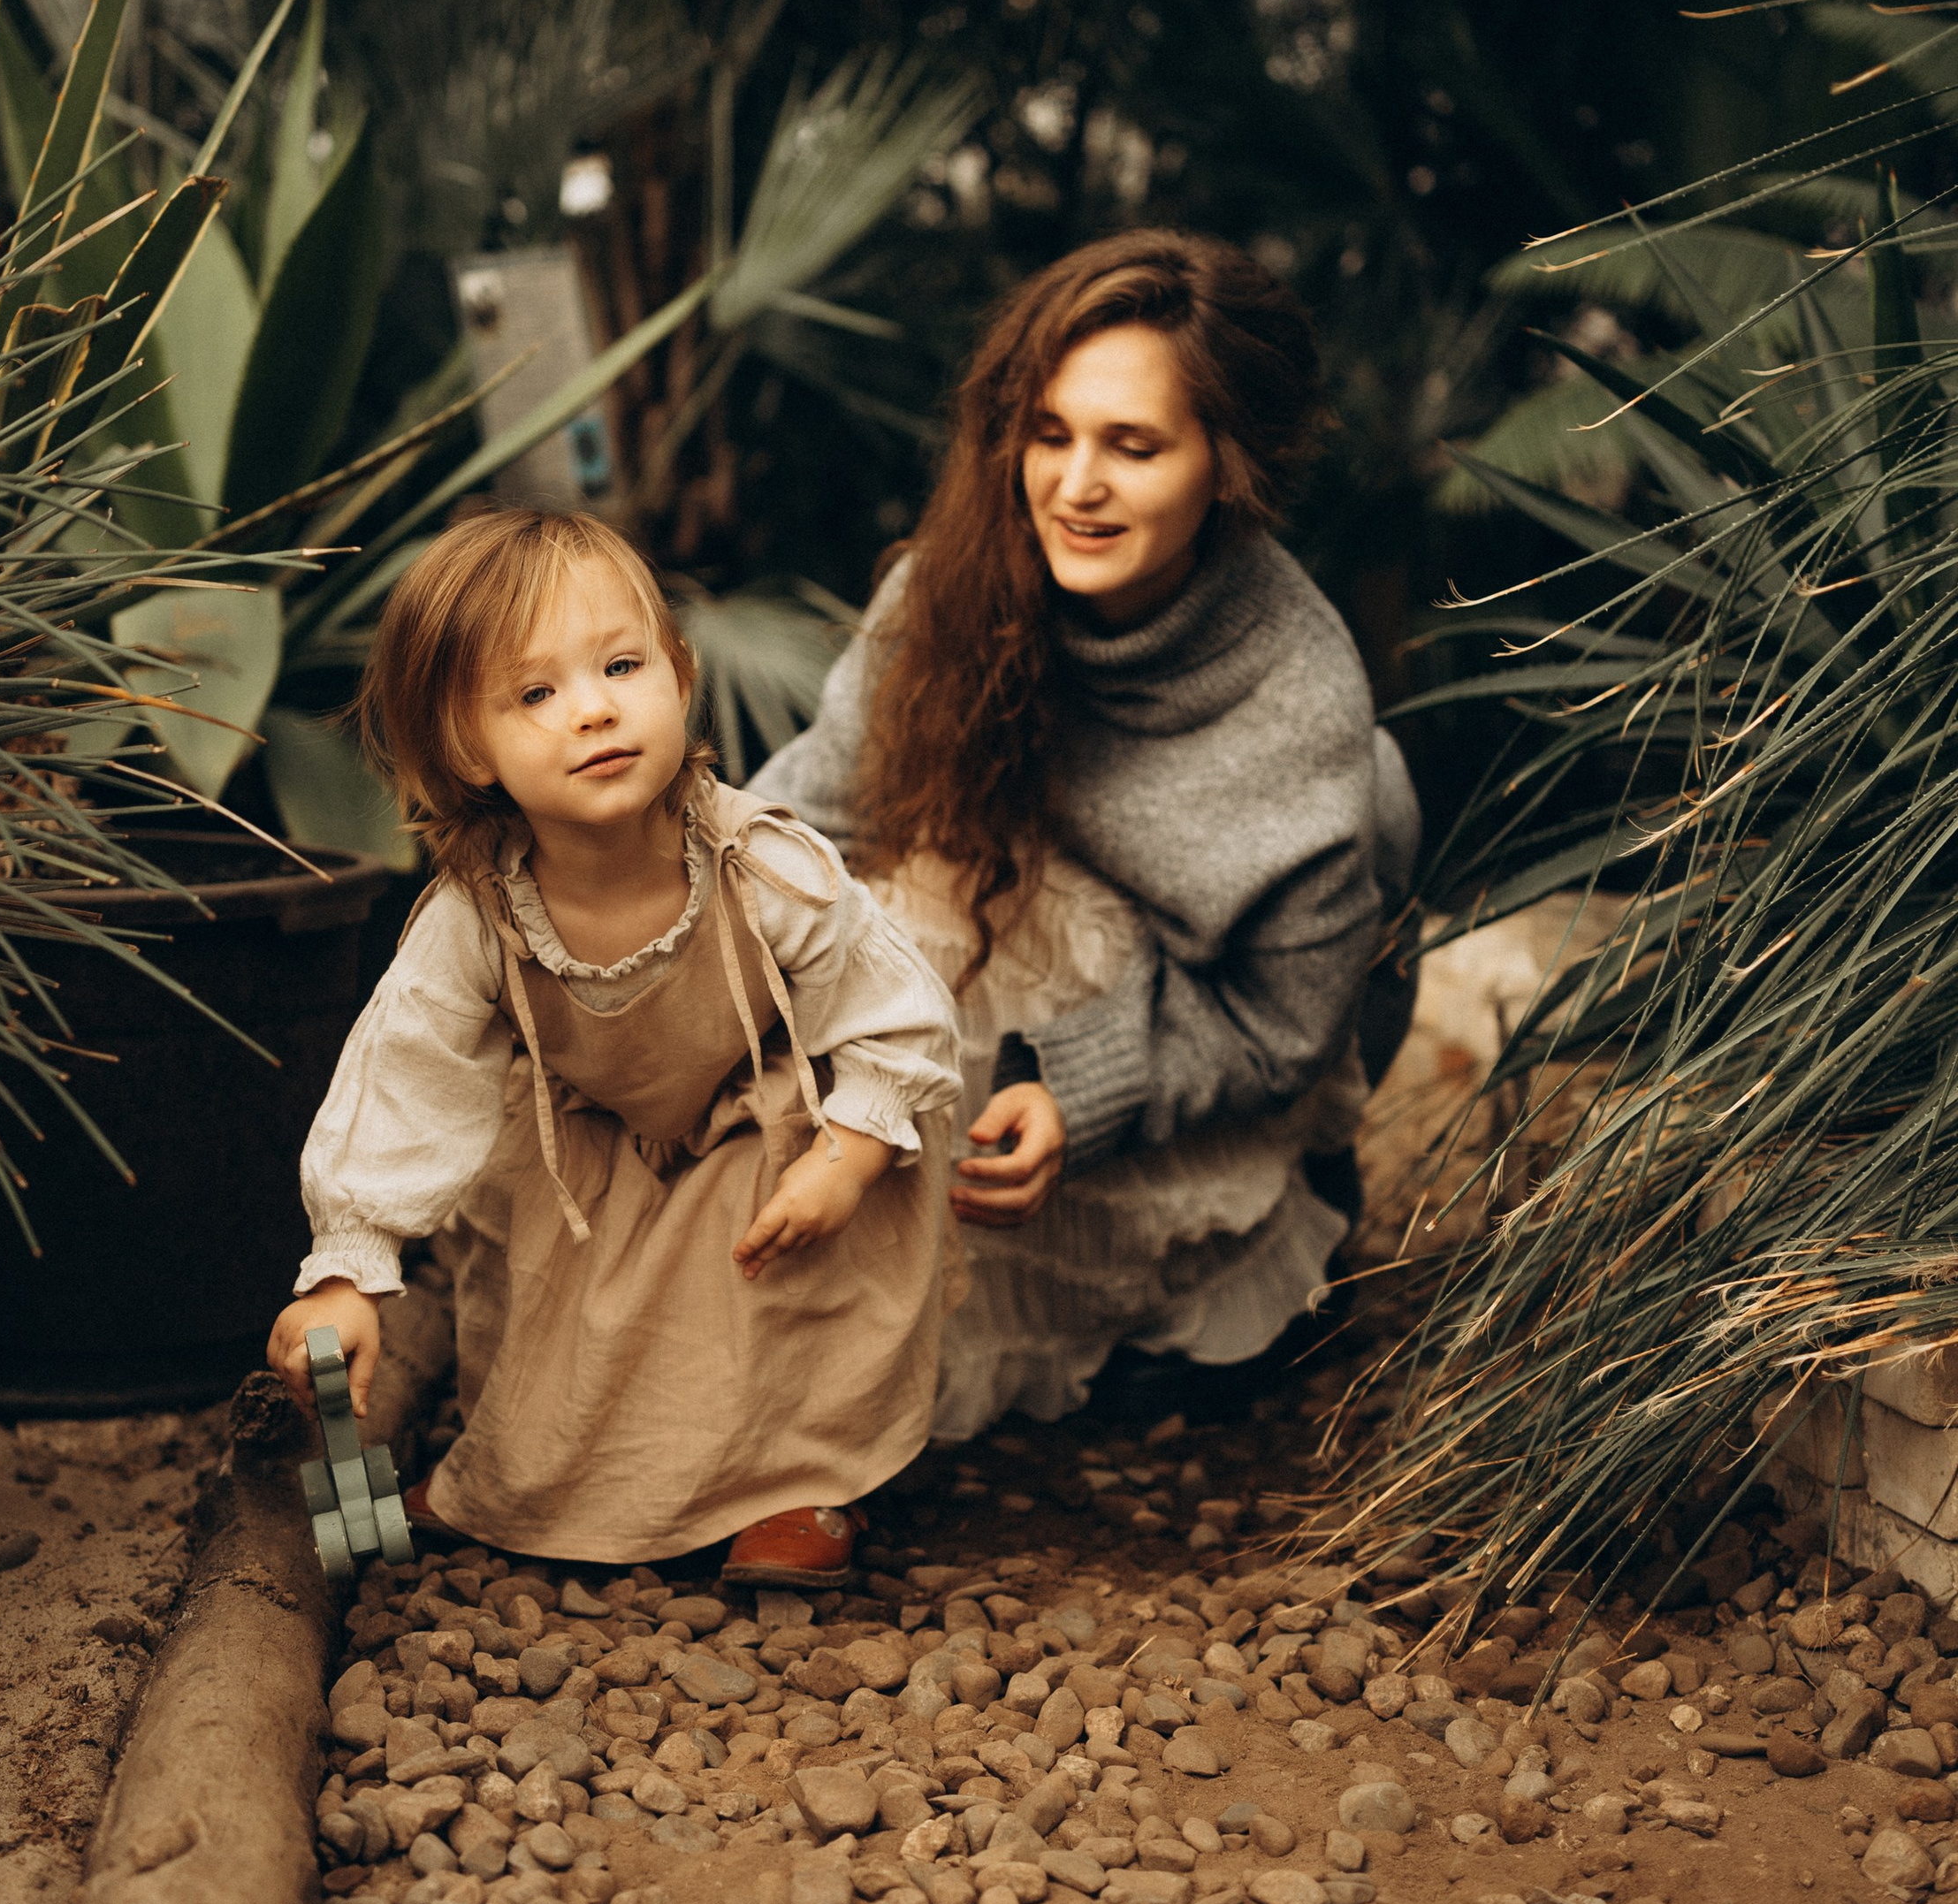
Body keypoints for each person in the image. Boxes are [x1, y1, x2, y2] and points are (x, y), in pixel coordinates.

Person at [751, 228, 1419, 1443]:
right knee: (898, 891)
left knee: (1384, 792)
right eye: (1050, 434)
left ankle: (1256, 1237)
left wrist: (1081, 1088)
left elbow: (1283, 1012)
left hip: (1189, 1036)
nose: (1074, 485)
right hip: (994, 991)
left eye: (1134, 445)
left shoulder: (1299, 700)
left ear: (1229, 464)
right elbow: (815, 814)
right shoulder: (951, 590)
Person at [265, 508, 962, 1584]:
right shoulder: (479, 915)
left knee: (788, 1275)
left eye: (622, 665)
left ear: (678, 678)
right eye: (535, 695)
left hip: (759, 1126)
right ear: (466, 747)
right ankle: (564, 1484)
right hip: (596, 1148)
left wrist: (851, 1150)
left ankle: (803, 1487)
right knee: (572, 1319)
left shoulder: (757, 862)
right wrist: (349, 1268)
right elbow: (404, 1075)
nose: (592, 710)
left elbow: (897, 1008)